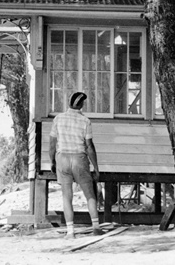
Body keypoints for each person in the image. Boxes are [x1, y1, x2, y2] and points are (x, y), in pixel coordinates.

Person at [49, 91, 102, 239]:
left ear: (68, 103)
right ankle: (96, 227)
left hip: (62, 158)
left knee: (67, 197)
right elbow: (89, 146)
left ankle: (70, 232)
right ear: (82, 105)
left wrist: (52, 161)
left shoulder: (58, 119)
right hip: (79, 158)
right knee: (89, 194)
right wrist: (96, 167)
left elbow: (52, 143)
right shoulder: (85, 121)